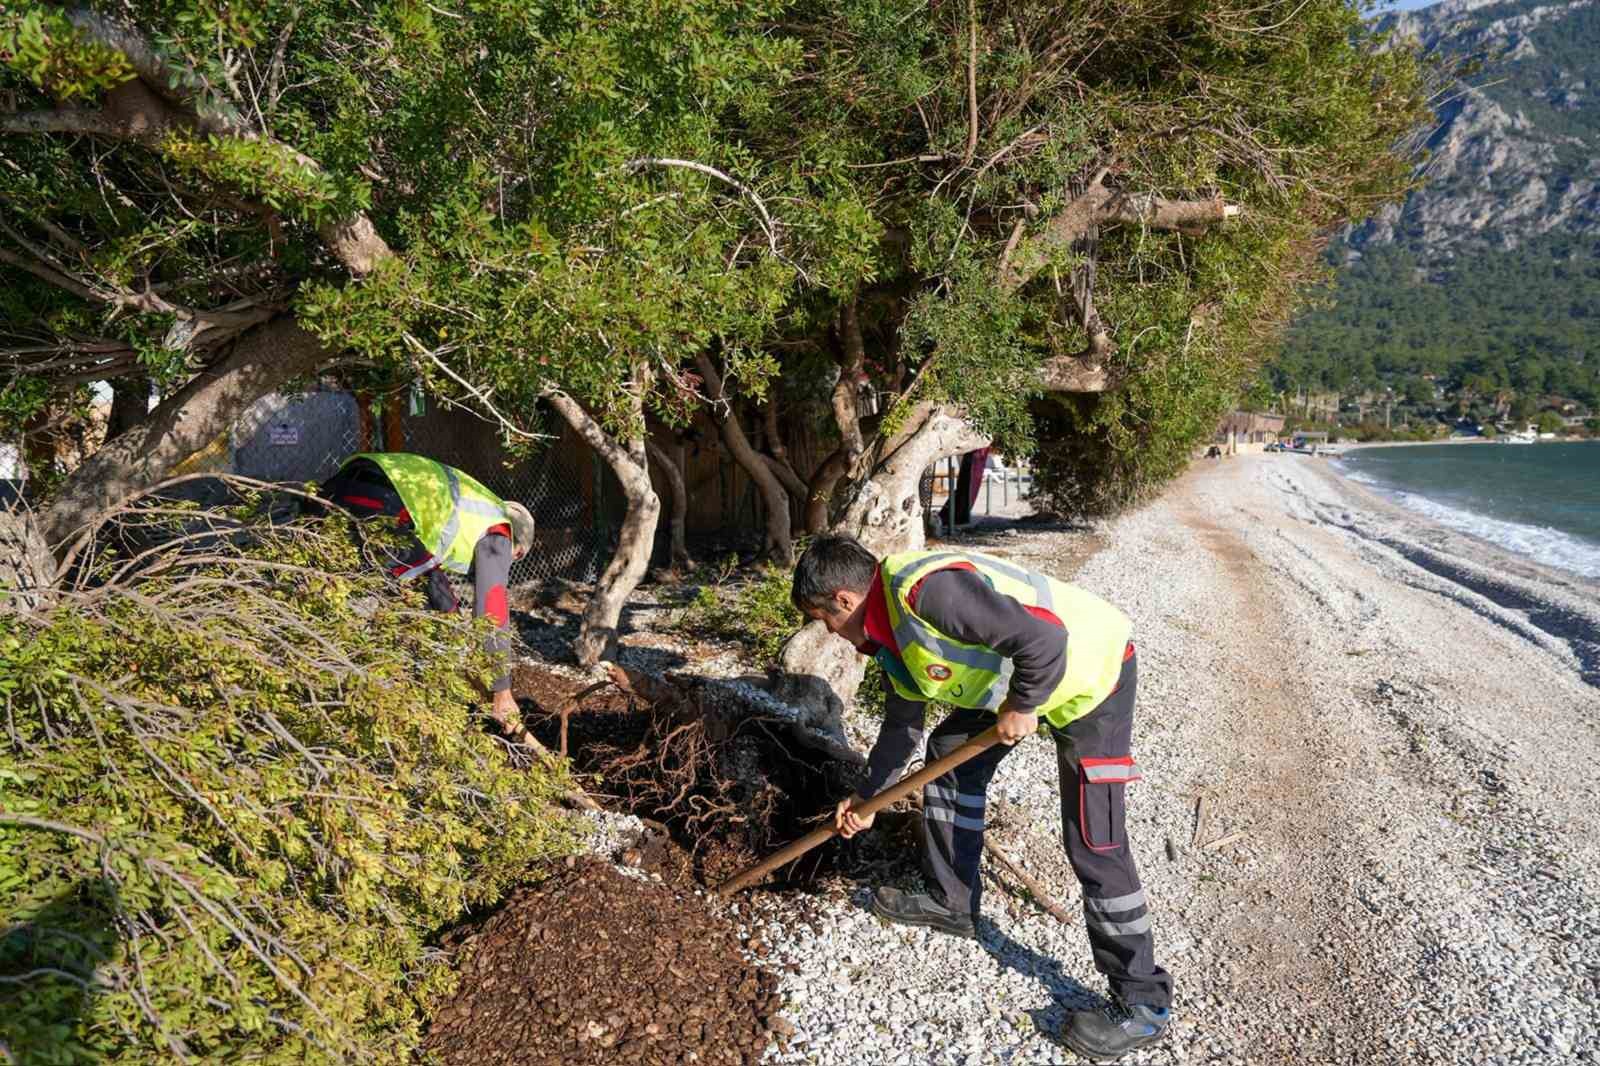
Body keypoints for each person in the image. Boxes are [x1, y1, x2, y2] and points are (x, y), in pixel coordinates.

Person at [790, 534, 1173, 1061]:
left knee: (1093, 837)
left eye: (824, 620)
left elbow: (1045, 640)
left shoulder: (926, 593)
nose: (831, 633)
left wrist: (1024, 704)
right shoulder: (889, 638)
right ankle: (953, 902)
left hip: (1092, 675)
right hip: (1023, 678)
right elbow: (902, 730)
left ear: (844, 599)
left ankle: (1143, 1002)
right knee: (950, 755)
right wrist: (867, 798)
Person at [317, 452, 536, 737]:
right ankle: (422, 711)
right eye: (514, 558)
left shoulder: (477, 502)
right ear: (516, 548)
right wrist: (501, 691)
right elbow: (491, 607)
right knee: (441, 614)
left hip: (339, 488)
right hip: (383, 502)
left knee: (337, 590)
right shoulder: (499, 531)